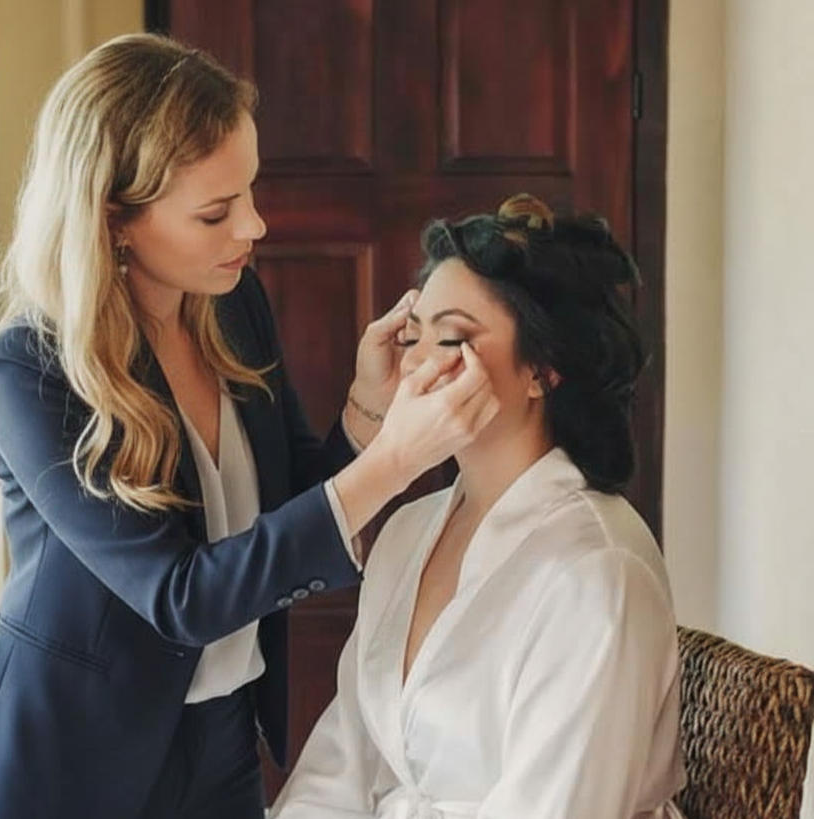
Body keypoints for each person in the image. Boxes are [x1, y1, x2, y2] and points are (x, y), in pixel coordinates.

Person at [0, 33, 496, 819]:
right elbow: (179, 593)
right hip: (66, 763)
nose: (253, 227)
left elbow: (281, 507)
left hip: (223, 732)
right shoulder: (30, 368)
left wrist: (367, 414)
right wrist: (394, 463)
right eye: (216, 212)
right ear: (114, 218)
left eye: (250, 193)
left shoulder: (235, 306)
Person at [270, 193, 687, 819]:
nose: (414, 366)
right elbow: (340, 766)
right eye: (413, 337)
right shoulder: (409, 532)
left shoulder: (595, 574)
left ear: (541, 370)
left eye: (452, 338)